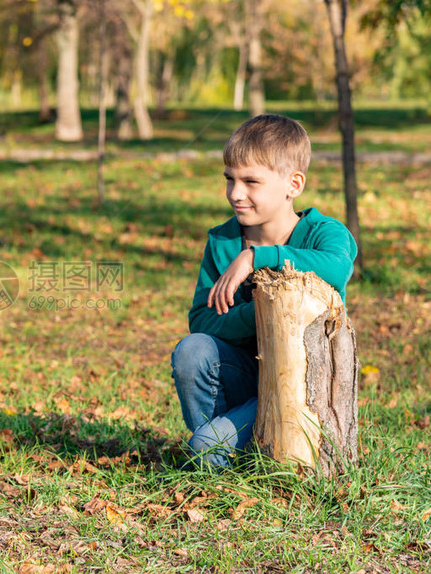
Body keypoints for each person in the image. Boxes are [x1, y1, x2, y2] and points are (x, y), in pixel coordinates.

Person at [171, 114, 358, 469]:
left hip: (303, 390)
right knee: (192, 351)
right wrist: (256, 311)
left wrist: (258, 257)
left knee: (204, 448)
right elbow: (202, 320)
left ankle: (220, 449)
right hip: (245, 381)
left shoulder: (324, 234)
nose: (235, 194)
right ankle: (222, 453)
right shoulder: (223, 241)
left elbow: (338, 267)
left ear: (294, 184)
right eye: (230, 180)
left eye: (251, 181)